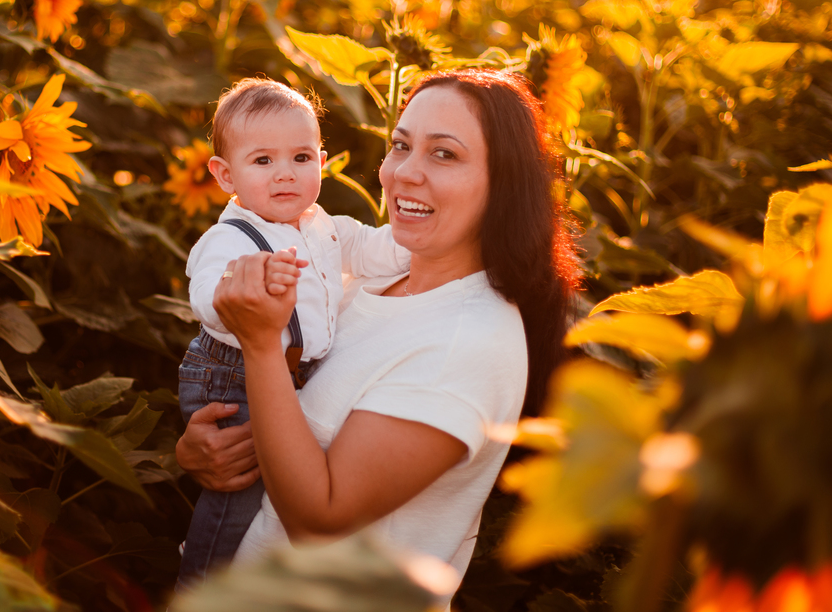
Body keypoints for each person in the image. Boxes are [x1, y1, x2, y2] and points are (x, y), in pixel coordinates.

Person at [175, 69, 580, 605]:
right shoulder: (368, 277)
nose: (404, 173)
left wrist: (258, 345)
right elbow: (284, 417)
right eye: (401, 145)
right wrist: (202, 451)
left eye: (444, 155)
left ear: (502, 185)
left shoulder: (467, 345)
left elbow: (319, 520)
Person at [176, 77, 410, 589]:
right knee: (237, 494)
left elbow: (379, 250)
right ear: (224, 174)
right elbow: (209, 298)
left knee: (279, 489)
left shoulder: (324, 226)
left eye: (301, 158)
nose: (285, 175)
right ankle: (200, 586)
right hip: (232, 377)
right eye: (263, 162)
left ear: (322, 163)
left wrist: (426, 241)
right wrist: (250, 287)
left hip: (292, 374)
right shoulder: (231, 237)